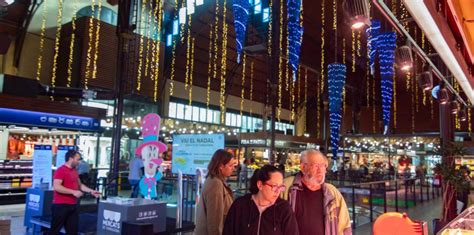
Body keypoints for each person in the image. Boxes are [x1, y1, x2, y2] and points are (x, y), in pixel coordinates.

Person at [282, 149, 352, 235]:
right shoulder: (286, 187)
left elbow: (344, 226)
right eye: (316, 166)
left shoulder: (332, 193)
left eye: (323, 166)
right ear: (303, 167)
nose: (320, 170)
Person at [223, 165, 299, 235]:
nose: (278, 191)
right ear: (260, 185)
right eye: (274, 186)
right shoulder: (240, 205)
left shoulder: (284, 209)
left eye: (281, 187)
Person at [50, 150, 101, 235]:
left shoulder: (74, 171)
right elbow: (57, 187)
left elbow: (80, 185)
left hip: (73, 205)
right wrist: (73, 192)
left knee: (72, 231)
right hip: (60, 206)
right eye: (77, 159)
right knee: (54, 231)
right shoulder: (60, 170)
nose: (79, 162)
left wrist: (91, 191)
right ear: (71, 159)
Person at [195, 149, 237, 235]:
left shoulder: (215, 180)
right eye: (230, 165)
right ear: (221, 166)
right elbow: (214, 220)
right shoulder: (216, 184)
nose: (233, 168)